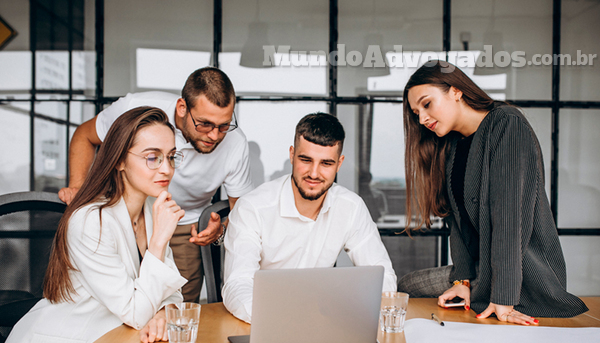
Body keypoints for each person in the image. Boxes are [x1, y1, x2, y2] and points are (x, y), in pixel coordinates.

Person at [0, 107, 188, 343]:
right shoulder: (89, 220)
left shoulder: (153, 211)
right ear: (120, 161)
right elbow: (136, 312)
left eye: (172, 156)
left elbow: (172, 291)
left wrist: (163, 313)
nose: (166, 168)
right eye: (153, 157)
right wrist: (159, 241)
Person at [397, 60, 588, 325]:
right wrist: (461, 281)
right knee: (406, 284)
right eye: (416, 112)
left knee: (408, 287)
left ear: (456, 91)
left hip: (518, 273)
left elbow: (508, 219)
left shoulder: (507, 124)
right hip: (477, 270)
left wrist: (504, 298)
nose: (422, 118)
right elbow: (458, 225)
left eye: (427, 104)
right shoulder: (451, 145)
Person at [58, 67, 253, 303]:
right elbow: (84, 136)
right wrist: (78, 189)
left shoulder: (235, 143)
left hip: (184, 225)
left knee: (176, 308)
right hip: (125, 212)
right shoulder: (137, 110)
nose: (214, 135)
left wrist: (220, 229)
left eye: (223, 126)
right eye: (204, 124)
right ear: (182, 108)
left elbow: (242, 213)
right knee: (113, 300)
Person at [222, 112, 397, 323]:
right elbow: (237, 284)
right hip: (265, 322)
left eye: (326, 163)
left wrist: (352, 313)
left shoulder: (351, 207)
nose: (314, 174)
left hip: (323, 321)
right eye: (306, 160)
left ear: (339, 164)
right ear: (292, 155)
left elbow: (383, 276)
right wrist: (280, 319)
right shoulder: (253, 208)